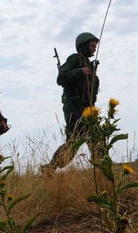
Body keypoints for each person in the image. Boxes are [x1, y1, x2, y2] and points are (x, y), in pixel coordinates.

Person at [40, 32, 100, 174]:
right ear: (84, 46)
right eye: (92, 46)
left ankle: (102, 171)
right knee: (74, 142)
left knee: (98, 140)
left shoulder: (90, 66)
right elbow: (61, 78)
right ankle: (51, 167)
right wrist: (80, 71)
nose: (94, 49)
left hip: (88, 109)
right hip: (74, 107)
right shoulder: (75, 59)